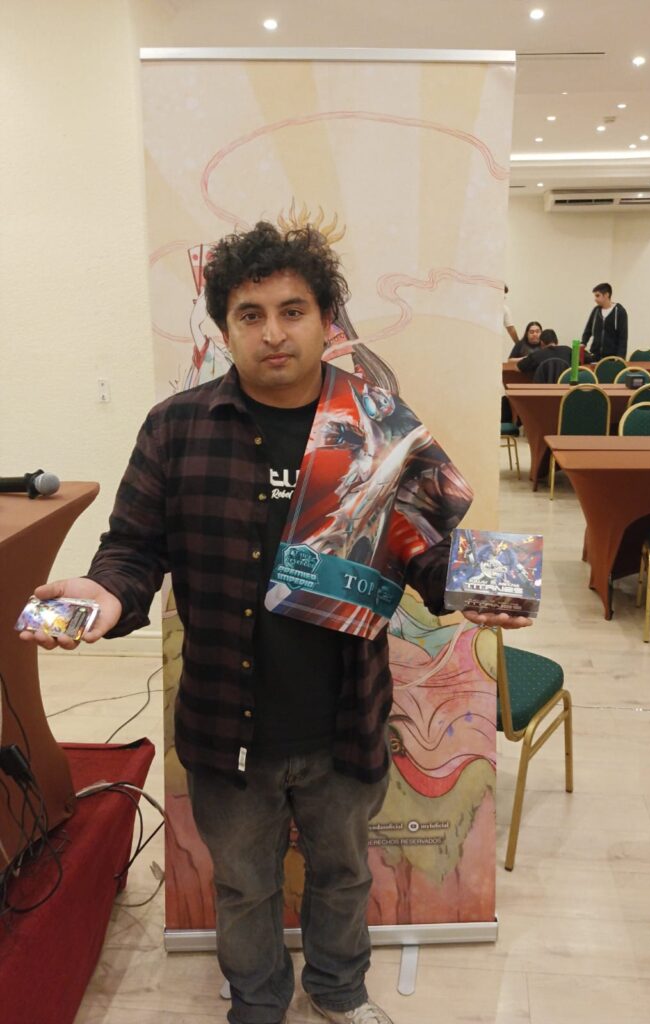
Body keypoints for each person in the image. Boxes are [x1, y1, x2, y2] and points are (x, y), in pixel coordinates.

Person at [20, 222, 532, 1024]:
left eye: (292, 311)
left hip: (344, 721)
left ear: (326, 320)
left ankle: (337, 992)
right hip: (226, 723)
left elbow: (423, 552)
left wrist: (482, 588)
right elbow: (132, 549)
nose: (272, 333)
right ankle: (257, 1005)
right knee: (241, 884)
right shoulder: (176, 428)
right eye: (249, 315)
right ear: (224, 329)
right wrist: (104, 594)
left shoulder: (377, 427)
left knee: (344, 876)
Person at [581, 282, 628, 360]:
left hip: (612, 358)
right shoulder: (596, 311)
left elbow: (623, 338)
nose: (595, 299)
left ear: (606, 295)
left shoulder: (619, 311)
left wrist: (620, 357)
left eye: (597, 296)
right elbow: (588, 330)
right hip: (595, 356)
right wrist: (583, 343)